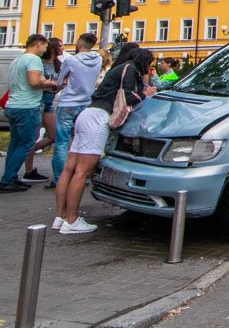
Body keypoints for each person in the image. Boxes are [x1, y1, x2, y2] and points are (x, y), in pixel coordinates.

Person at [54, 46, 157, 234]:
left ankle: (60, 217)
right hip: (99, 118)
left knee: (69, 169)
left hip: (87, 114)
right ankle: (72, 220)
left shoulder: (118, 68)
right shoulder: (130, 69)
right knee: (82, 172)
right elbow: (126, 97)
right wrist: (145, 94)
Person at [0, 34, 59, 193]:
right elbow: (34, 82)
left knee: (15, 143)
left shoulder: (17, 60)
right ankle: (6, 180)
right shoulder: (34, 60)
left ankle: (10, 177)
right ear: (38, 44)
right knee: (26, 144)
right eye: (45, 46)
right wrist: (50, 82)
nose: (46, 49)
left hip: (13, 105)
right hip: (27, 107)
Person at [48, 33, 103, 188]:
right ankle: (82, 176)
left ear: (79, 43)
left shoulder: (71, 60)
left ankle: (59, 178)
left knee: (62, 141)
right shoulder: (98, 59)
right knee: (82, 141)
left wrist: (64, 81)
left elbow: (59, 81)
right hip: (86, 103)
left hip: (68, 103)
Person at [22, 37, 63, 182]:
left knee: (53, 135)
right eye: (60, 45)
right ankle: (29, 169)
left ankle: (29, 150)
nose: (62, 48)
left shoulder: (58, 64)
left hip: (50, 100)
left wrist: (60, 84)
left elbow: (60, 82)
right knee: (33, 135)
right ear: (52, 48)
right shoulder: (39, 63)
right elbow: (36, 82)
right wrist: (50, 84)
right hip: (39, 99)